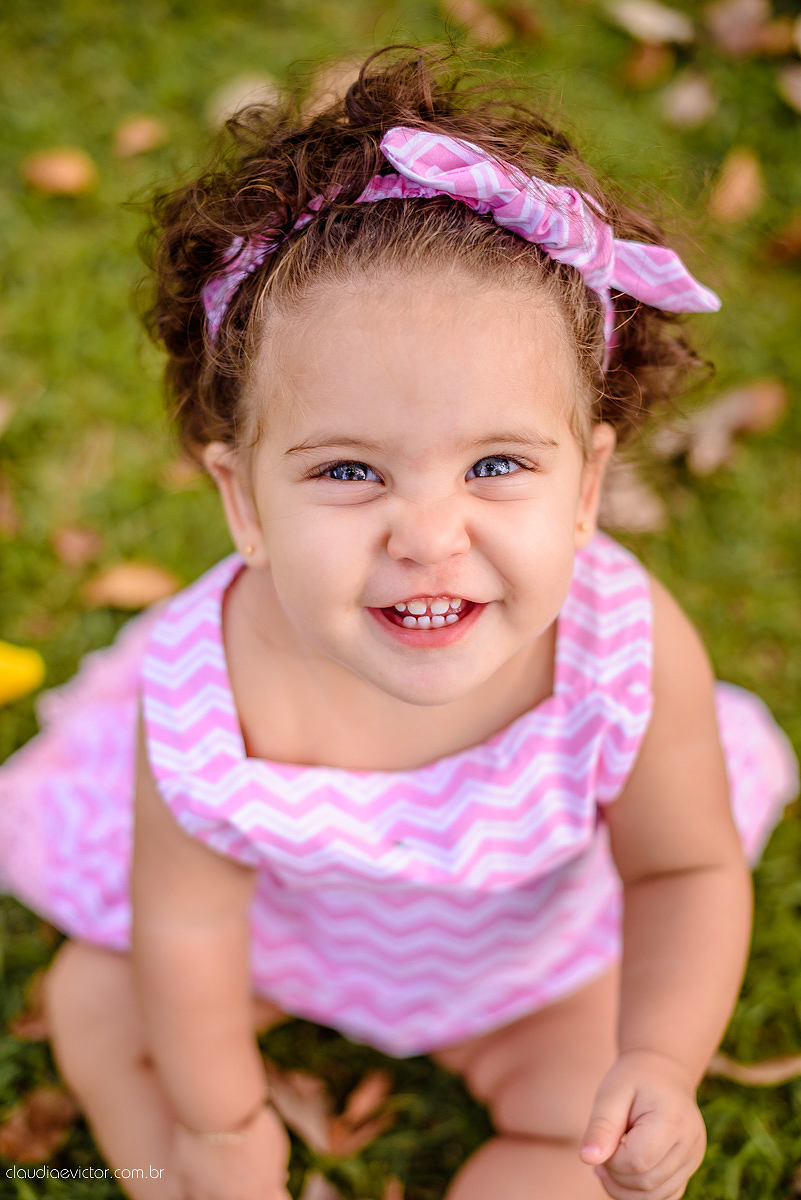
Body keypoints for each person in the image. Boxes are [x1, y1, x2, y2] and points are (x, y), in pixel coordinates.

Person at [0, 45, 797, 1200]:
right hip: (288, 949)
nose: (428, 535)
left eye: (495, 463)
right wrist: (219, 1128)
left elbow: (682, 870)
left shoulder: (623, 648)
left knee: (590, 1132)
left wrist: (660, 1062)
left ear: (585, 487)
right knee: (100, 995)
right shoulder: (204, 685)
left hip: (537, 973)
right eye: (348, 472)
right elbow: (187, 930)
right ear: (243, 500)